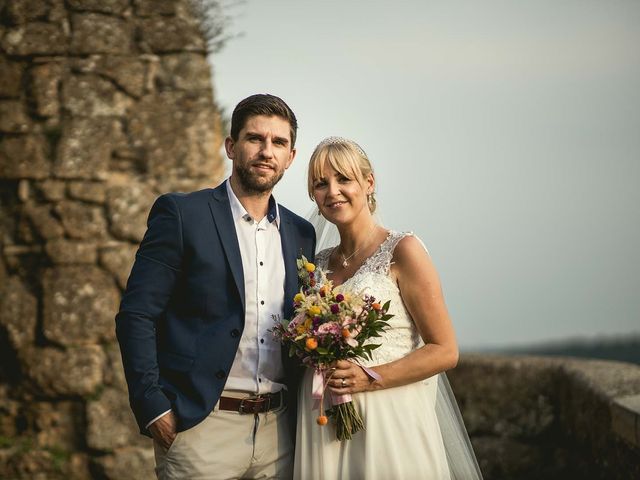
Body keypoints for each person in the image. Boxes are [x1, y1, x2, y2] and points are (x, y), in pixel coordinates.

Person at [115, 94, 316, 479]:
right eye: (255, 138)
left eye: (278, 143)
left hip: (281, 432)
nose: (266, 151)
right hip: (202, 429)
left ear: (291, 157)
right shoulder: (182, 214)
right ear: (231, 146)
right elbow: (137, 314)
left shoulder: (301, 234)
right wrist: (153, 405)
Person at [294, 137, 482, 479]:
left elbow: (445, 351)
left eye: (343, 179)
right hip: (322, 421)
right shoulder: (315, 266)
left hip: (388, 419)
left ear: (369, 183)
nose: (332, 191)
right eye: (320, 184)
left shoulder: (403, 251)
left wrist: (370, 378)